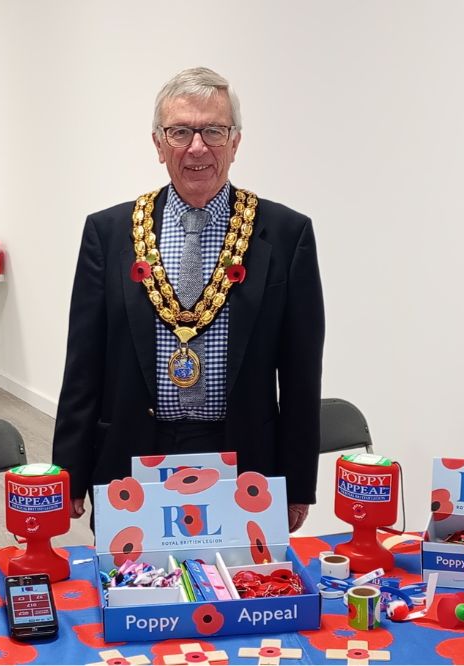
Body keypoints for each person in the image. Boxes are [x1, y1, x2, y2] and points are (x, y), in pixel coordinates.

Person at [52, 67, 324, 532]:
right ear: (159, 145)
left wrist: (297, 482)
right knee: (132, 589)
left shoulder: (285, 234)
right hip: (133, 451)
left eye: (213, 130)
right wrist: (70, 472)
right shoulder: (110, 232)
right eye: (180, 131)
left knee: (241, 590)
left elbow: (301, 373)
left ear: (235, 142)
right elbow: (84, 363)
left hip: (243, 457)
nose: (197, 147)